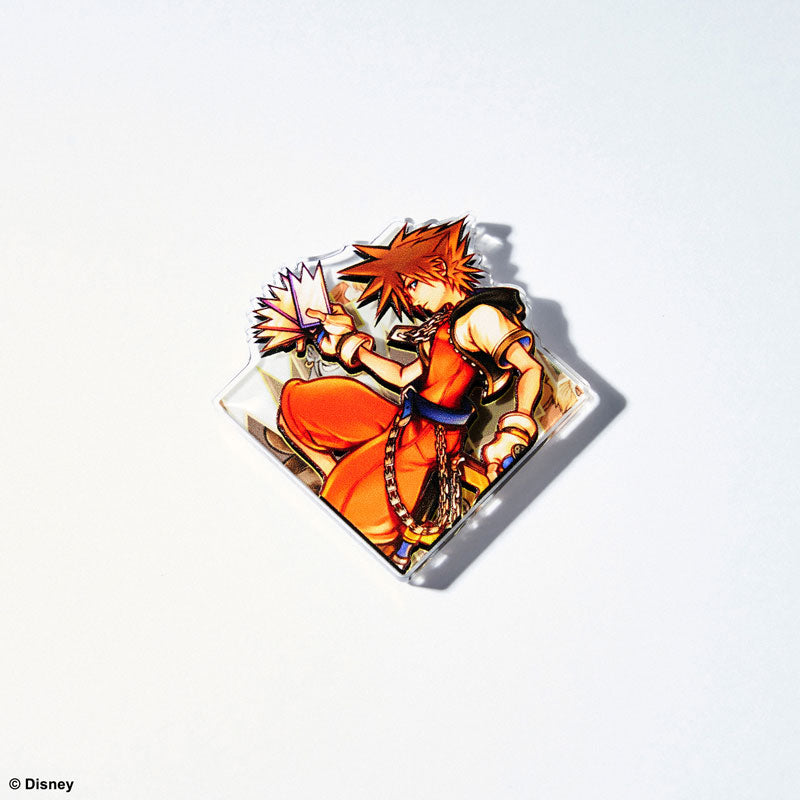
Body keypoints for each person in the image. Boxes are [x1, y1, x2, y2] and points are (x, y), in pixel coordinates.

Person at [276, 218, 543, 569]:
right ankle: (337, 468)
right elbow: (404, 376)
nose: (411, 297)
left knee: (346, 504)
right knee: (302, 403)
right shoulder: (444, 325)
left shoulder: (481, 317)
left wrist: (514, 431)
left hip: (432, 442)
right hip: (406, 419)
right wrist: (348, 344)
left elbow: (531, 368)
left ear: (441, 269)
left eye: (413, 283)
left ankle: (357, 481)